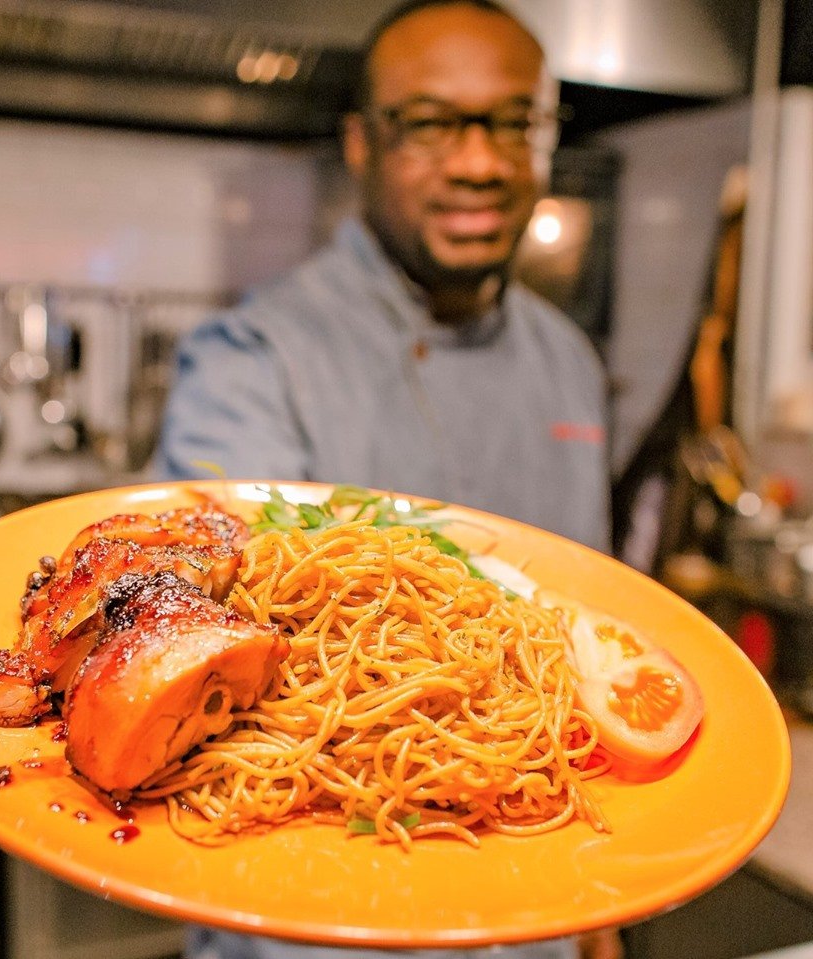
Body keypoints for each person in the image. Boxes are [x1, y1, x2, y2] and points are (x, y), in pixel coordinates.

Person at [157, 2, 619, 957]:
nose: (480, 163)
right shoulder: (253, 359)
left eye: (513, 122)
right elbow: (203, 657)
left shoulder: (569, 360)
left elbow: (587, 640)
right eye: (431, 124)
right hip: (308, 920)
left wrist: (596, 921)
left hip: (537, 910)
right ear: (363, 144)